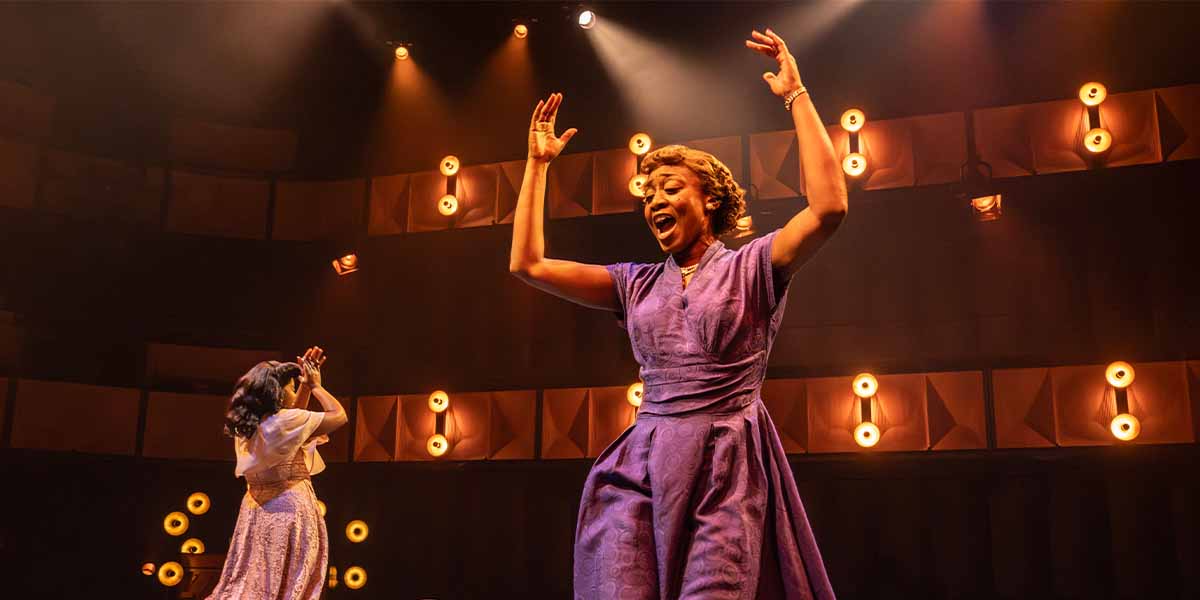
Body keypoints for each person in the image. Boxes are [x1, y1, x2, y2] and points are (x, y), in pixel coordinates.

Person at [509, 28, 844, 599]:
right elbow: (528, 264)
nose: (655, 202)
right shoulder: (635, 285)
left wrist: (796, 95)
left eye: (669, 189)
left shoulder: (752, 267)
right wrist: (538, 166)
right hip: (641, 467)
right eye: (647, 197)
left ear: (709, 198)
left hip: (723, 470)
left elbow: (829, 206)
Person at [207, 346, 348, 600]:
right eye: (291, 387)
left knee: (256, 580)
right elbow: (339, 416)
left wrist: (303, 386)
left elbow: (292, 426)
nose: (294, 391)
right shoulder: (283, 421)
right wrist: (316, 386)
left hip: (257, 514)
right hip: (289, 508)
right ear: (278, 393)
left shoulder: (248, 426)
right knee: (289, 583)